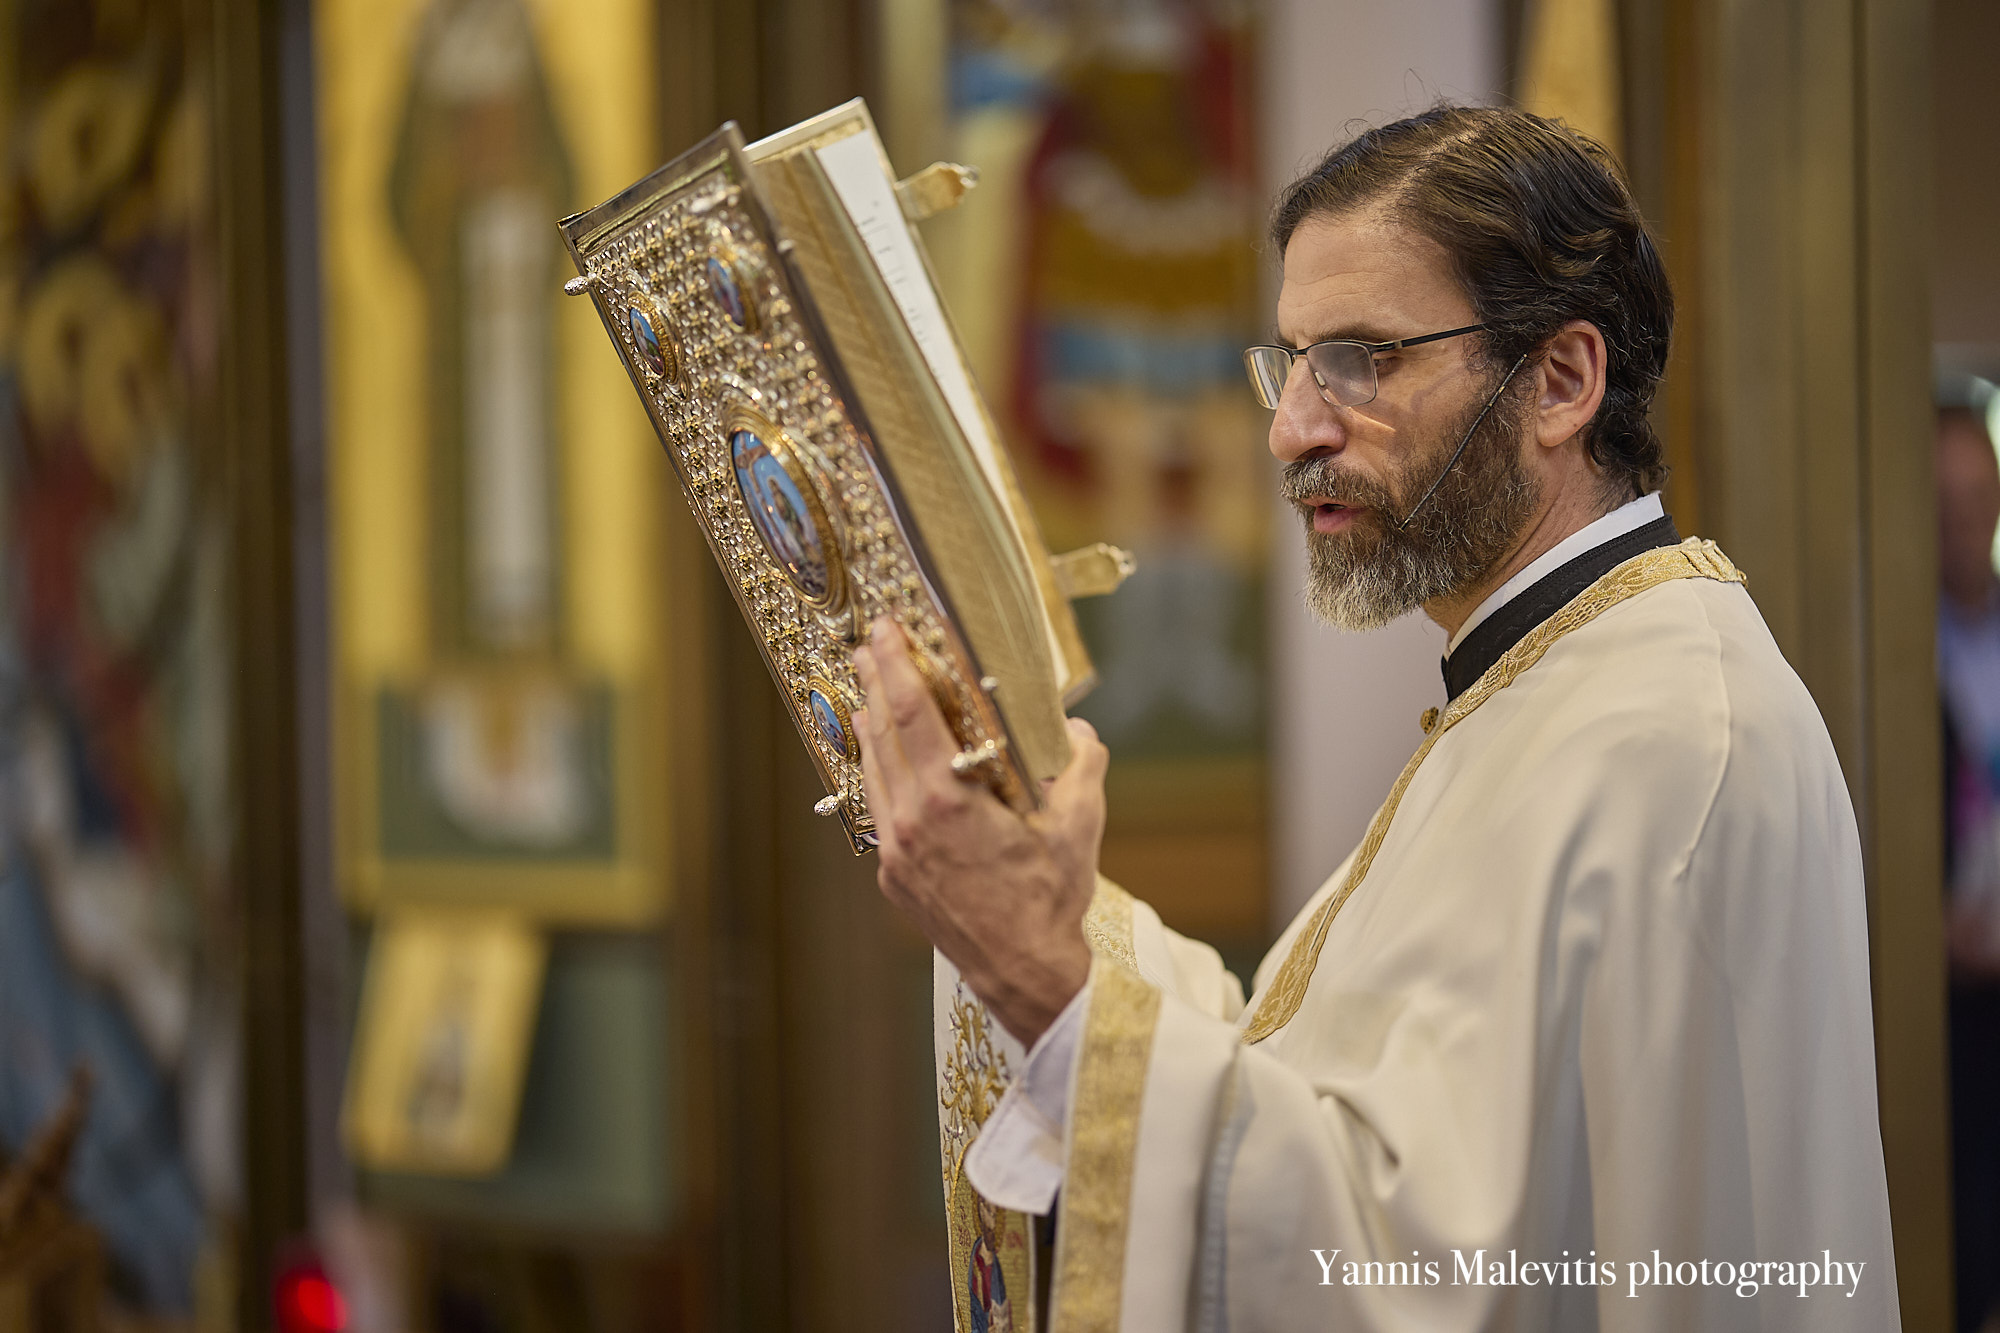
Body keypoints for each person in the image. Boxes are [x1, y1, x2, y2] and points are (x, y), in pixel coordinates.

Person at [853, 105, 1898, 1330]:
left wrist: (1041, 974)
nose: (1292, 427)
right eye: (1289, 362)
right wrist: (1049, 909)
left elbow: (1433, 1281)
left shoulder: (1663, 737)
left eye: (1362, 358)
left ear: (1559, 380)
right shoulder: (1545, 689)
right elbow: (1322, 1099)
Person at [1936, 401, 2000, 1331]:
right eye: (1941, 507)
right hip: (1946, 1008)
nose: (1962, 525)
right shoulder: (1890, 658)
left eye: (1976, 499)